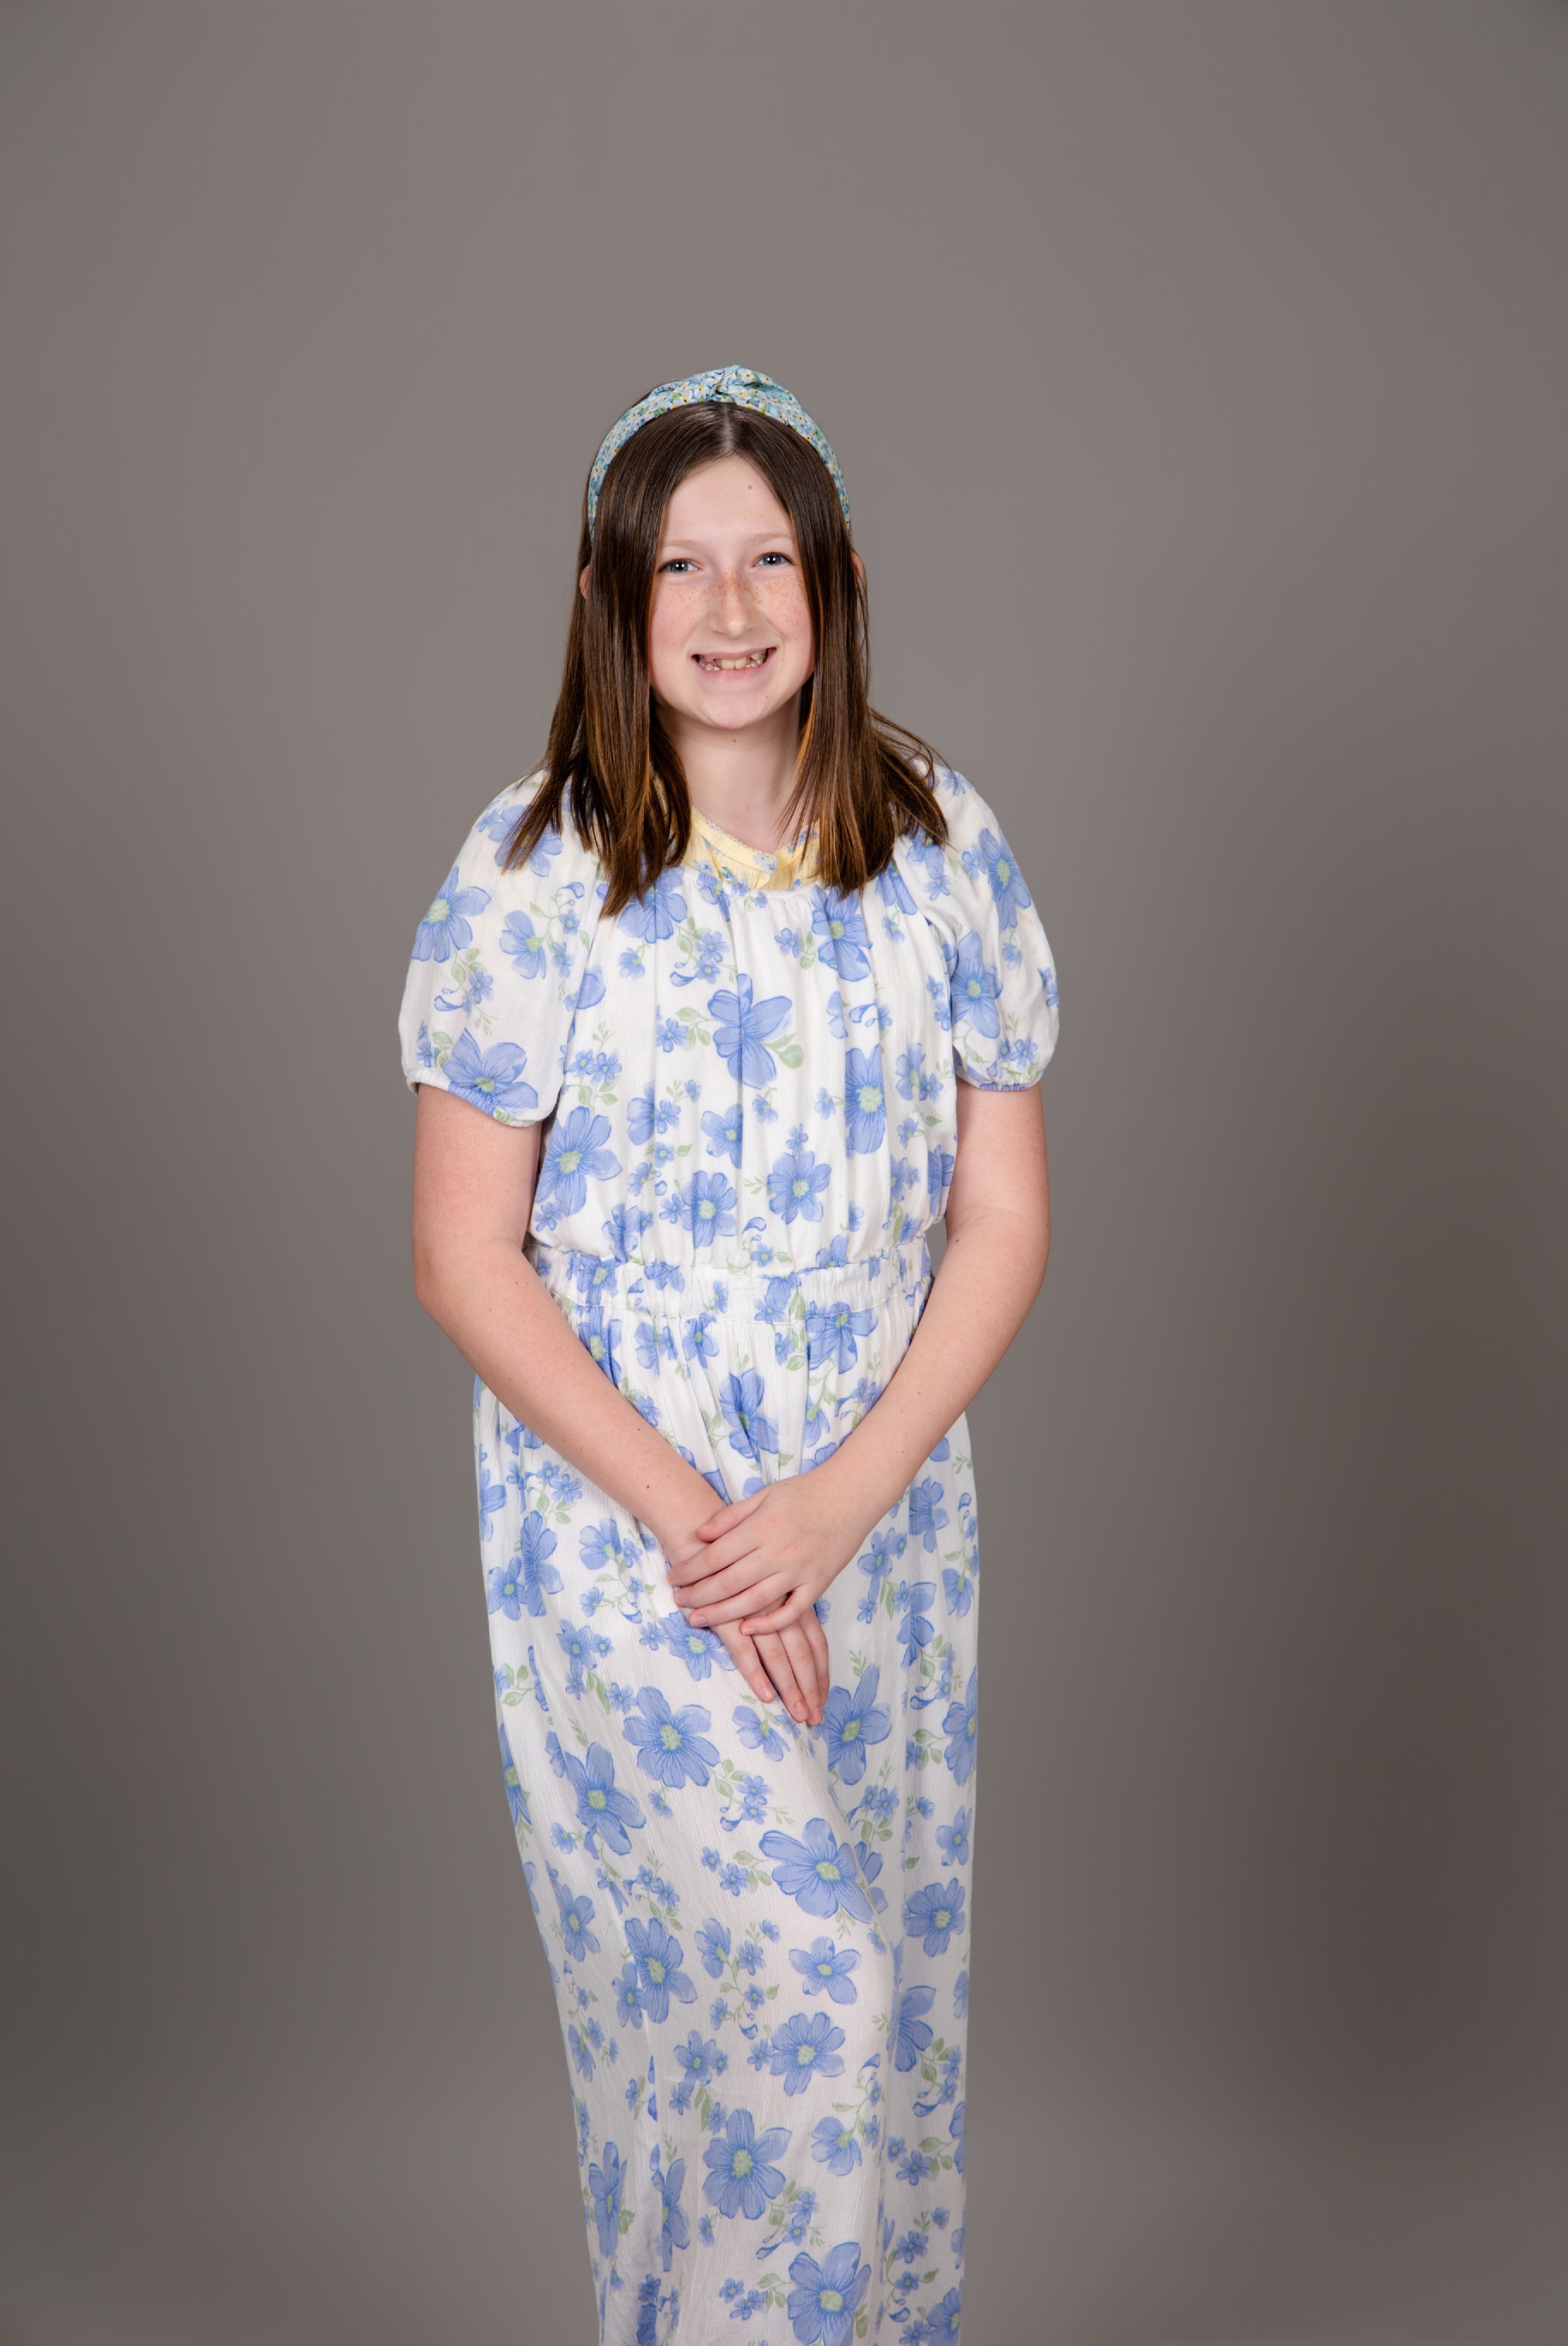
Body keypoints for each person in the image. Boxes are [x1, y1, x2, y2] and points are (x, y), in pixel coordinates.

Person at [401, 366, 1058, 2346]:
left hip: (883, 1520)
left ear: (836, 585)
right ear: (613, 598)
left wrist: (841, 1506)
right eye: (681, 566)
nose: (731, 606)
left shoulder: (939, 844)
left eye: (770, 559)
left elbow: (1003, 1219)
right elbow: (463, 1254)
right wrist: (711, 1535)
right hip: (636, 1539)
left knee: (886, 2038)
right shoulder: (535, 870)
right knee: (786, 1996)